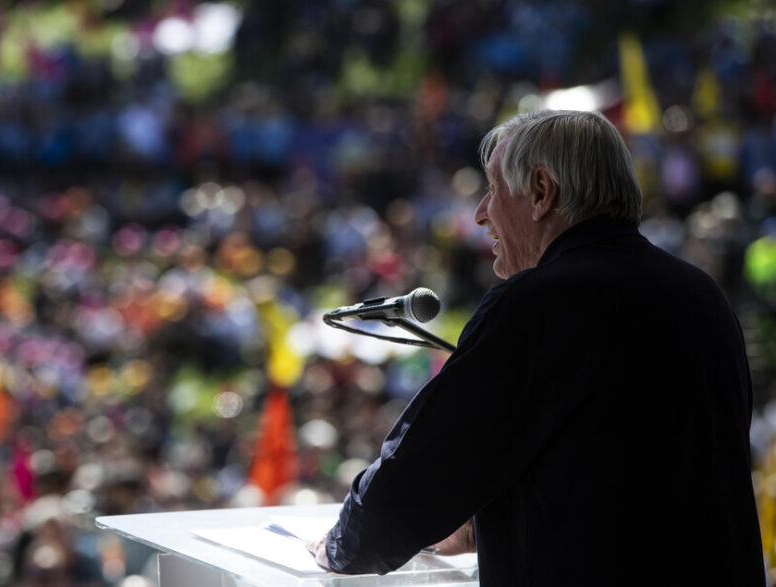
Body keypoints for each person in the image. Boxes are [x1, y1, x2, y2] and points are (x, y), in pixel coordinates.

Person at [308, 110, 766, 586]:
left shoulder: (537, 303)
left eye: (493, 189)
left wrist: (341, 546)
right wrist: (482, 525)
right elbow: (625, 474)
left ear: (542, 193)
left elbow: (411, 486)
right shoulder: (702, 295)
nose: (480, 212)